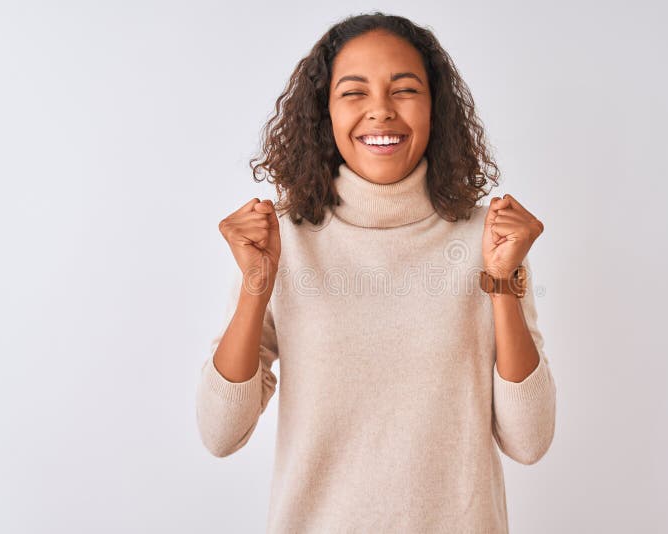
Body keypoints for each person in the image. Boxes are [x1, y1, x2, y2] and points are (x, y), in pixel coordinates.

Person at [195, 11, 557, 533]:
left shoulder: (491, 240)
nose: (381, 112)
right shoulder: (282, 240)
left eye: (405, 90)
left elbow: (529, 441)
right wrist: (256, 288)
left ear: (436, 109)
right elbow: (219, 433)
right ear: (325, 113)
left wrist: (501, 282)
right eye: (354, 92)